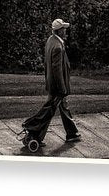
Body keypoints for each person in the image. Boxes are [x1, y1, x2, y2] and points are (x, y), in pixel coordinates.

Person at [21, 18, 81, 146]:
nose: (66, 31)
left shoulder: (50, 41)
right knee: (48, 110)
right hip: (57, 86)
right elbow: (57, 70)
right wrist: (62, 88)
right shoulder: (58, 47)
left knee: (60, 108)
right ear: (59, 31)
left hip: (52, 83)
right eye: (64, 29)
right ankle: (33, 131)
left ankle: (71, 133)